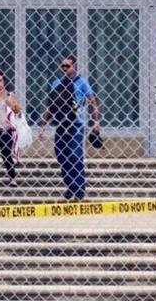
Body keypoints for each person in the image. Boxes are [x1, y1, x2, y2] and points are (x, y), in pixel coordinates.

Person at [39, 55, 101, 201]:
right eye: (63, 66)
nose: (65, 69)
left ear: (75, 66)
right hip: (61, 124)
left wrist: (96, 122)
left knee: (75, 155)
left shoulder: (82, 83)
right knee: (61, 156)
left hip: (76, 124)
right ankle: (71, 186)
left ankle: (79, 188)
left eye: (68, 66)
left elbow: (93, 101)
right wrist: (43, 125)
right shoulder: (56, 83)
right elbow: (51, 105)